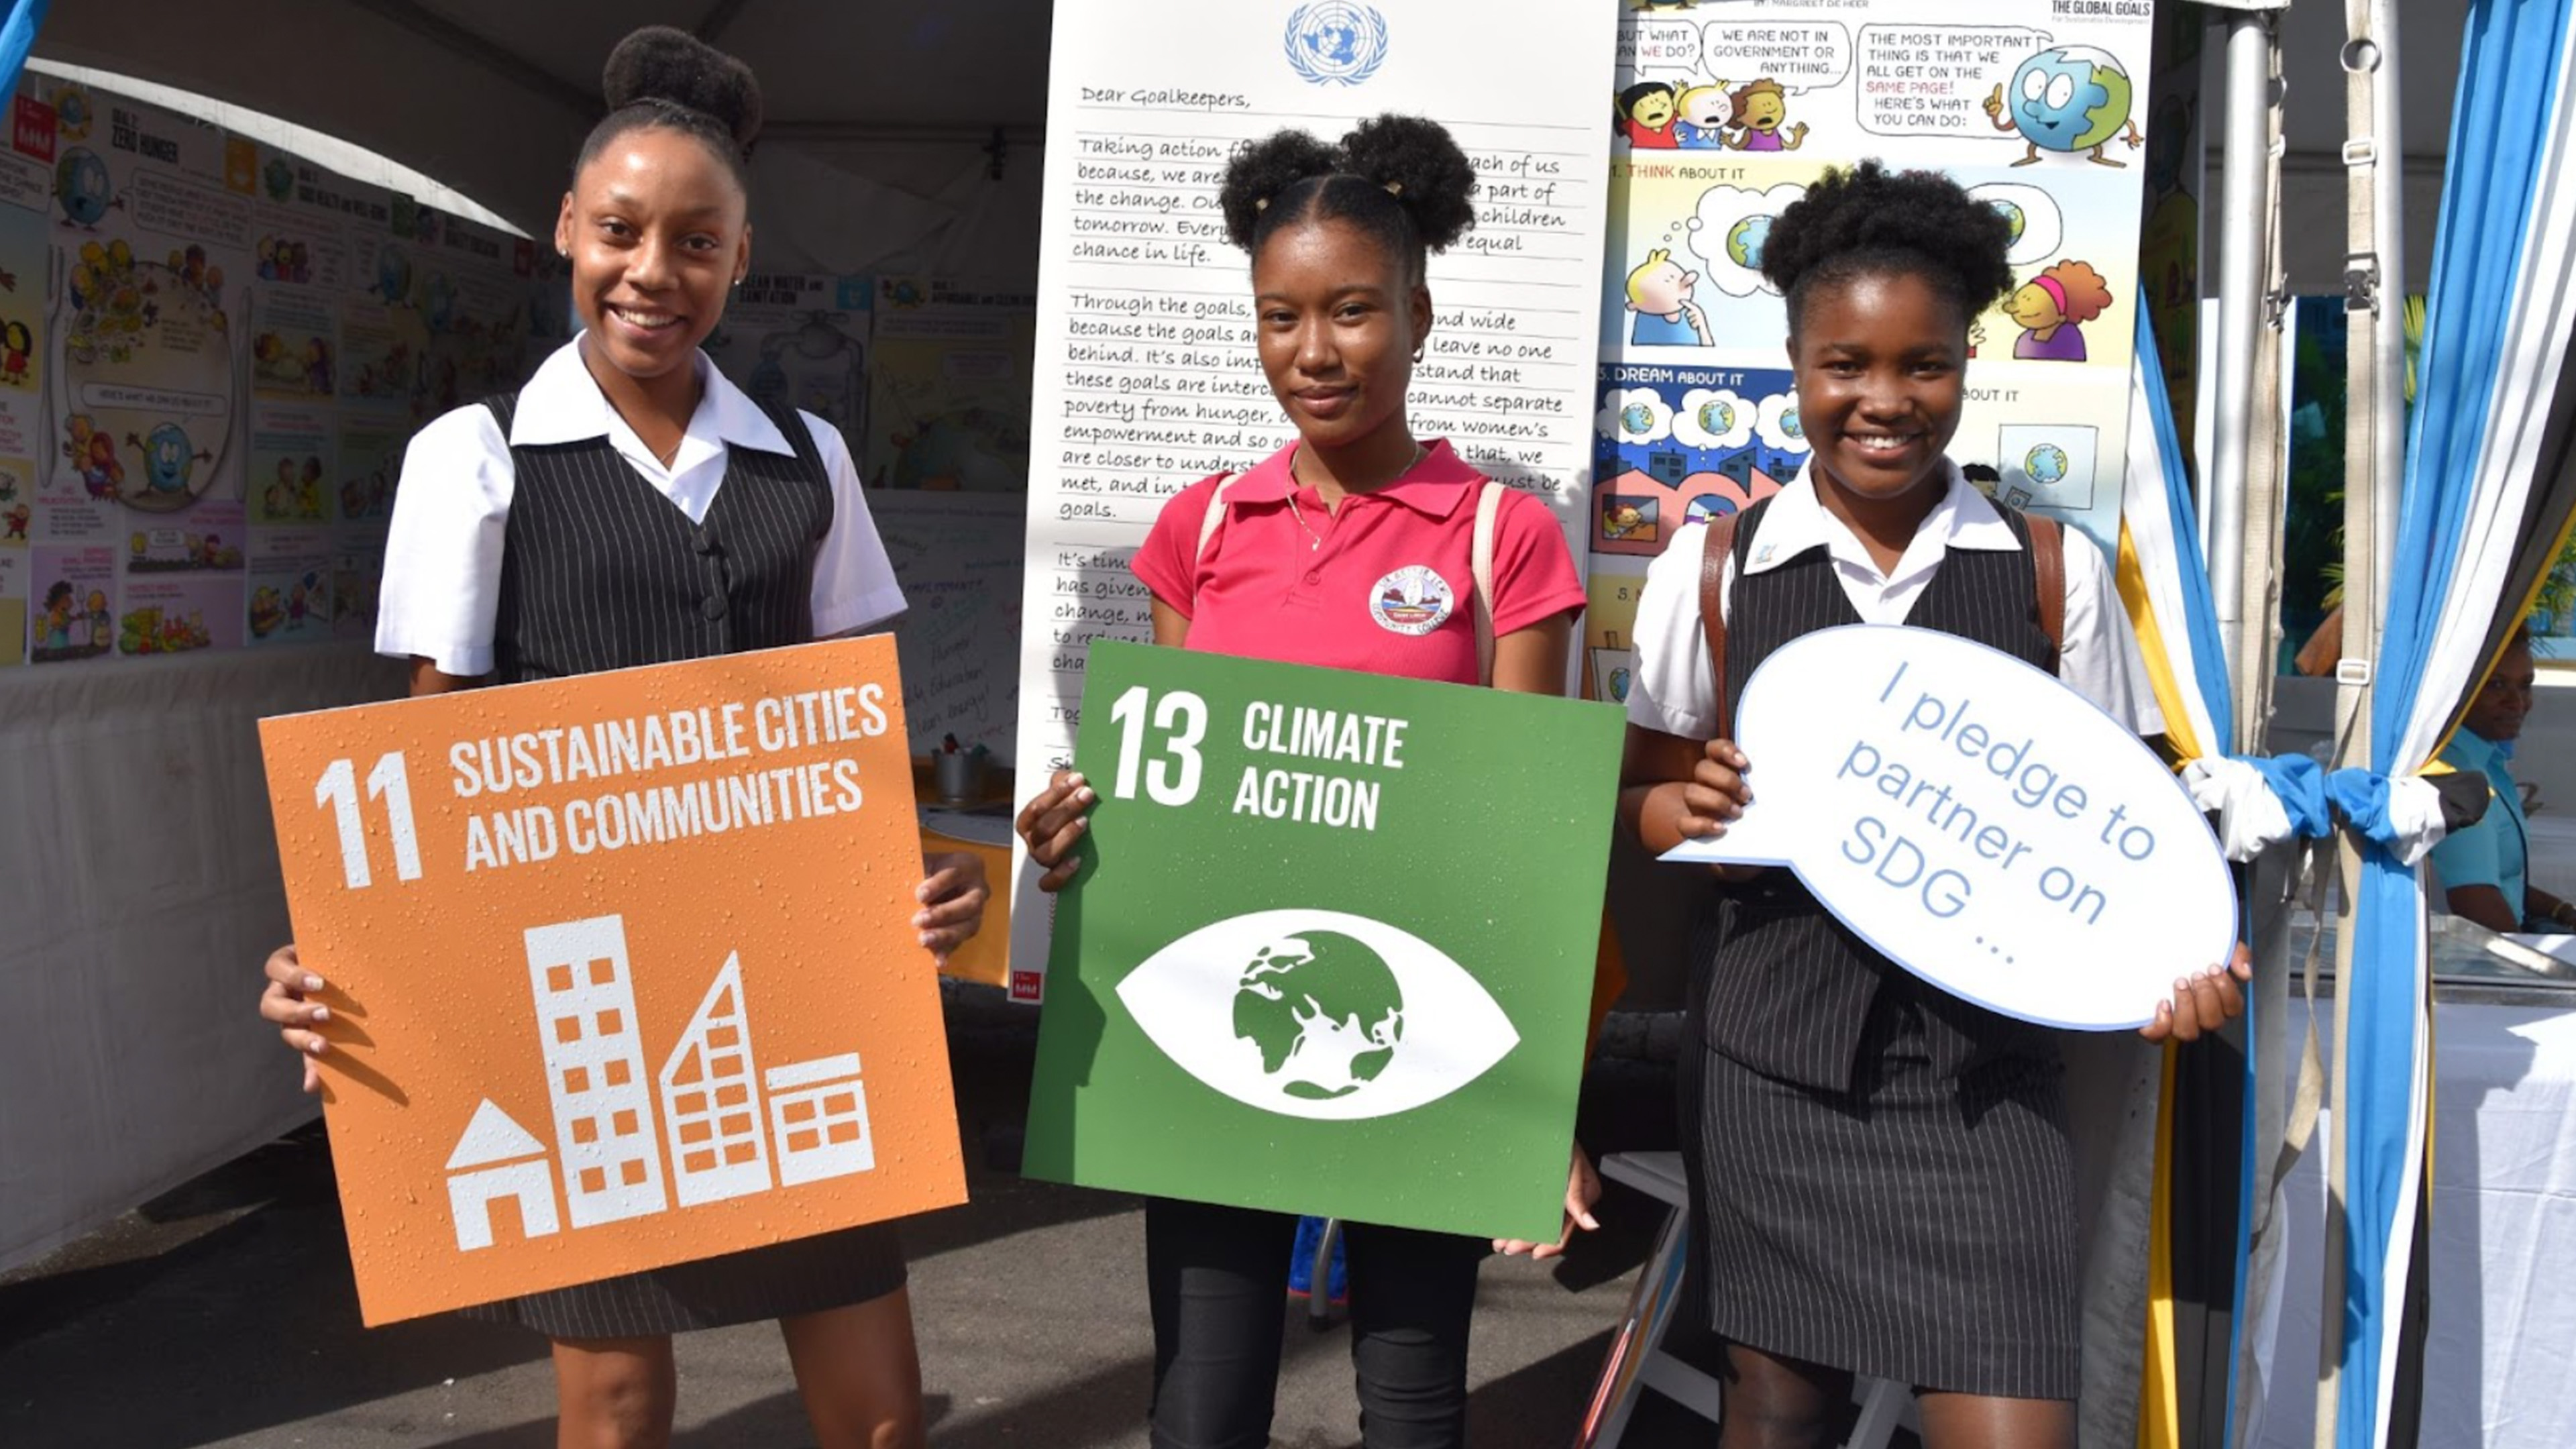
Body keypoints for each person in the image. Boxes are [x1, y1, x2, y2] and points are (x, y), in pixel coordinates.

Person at [255, 28, 986, 1449]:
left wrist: (921, 870)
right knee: (614, 1412)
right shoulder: (475, 457)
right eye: (623, 232)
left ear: (742, 256)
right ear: (567, 234)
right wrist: (344, 961)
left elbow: (849, 738)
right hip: (573, 1005)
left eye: (697, 242)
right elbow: (427, 769)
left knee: (881, 1418)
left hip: (790, 999)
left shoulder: (808, 455)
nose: (656, 272)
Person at [1615, 161, 2249, 1449]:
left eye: (1926, 365)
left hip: (1984, 1083)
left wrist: (2190, 960)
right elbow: (1636, 796)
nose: (1885, 402)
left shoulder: (2050, 571)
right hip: (1769, 1065)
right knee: (1776, 1416)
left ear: (1969, 363)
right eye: (1845, 364)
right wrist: (1687, 813)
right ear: (1793, 361)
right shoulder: (1720, 568)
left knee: (2018, 1428)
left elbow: (2131, 827)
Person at [1014, 115, 1593, 1449]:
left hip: (1425, 1033)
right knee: (1203, 1403)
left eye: (1352, 313)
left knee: (1411, 1405)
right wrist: (1078, 828)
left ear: (1420, 311)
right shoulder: (1200, 528)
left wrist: (1535, 1105)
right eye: (1281, 318)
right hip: (1224, 1025)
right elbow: (1171, 801)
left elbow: (1531, 858)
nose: (1315, 354)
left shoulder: (1505, 540)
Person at [2432, 625, 2576, 932]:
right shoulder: (2457, 776)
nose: (2517, 702)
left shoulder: (2487, 760)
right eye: (2496, 685)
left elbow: (2501, 880)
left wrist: (2562, 910)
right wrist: (2534, 972)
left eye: (2525, 685)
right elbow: (2475, 900)